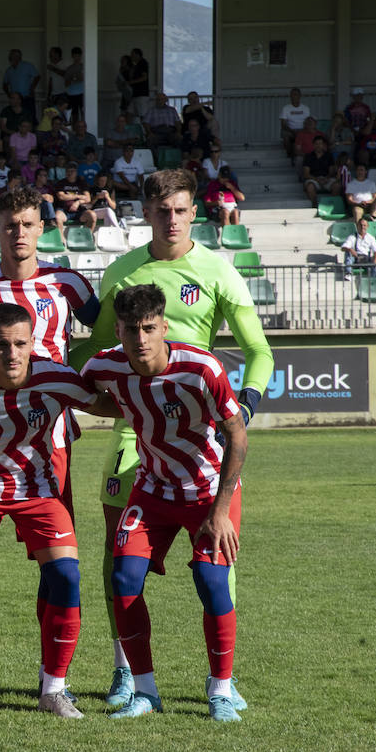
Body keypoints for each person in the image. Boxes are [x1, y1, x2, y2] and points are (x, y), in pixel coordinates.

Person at [70, 169, 272, 710]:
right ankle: (126, 673)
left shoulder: (215, 270)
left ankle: (223, 682)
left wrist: (246, 401)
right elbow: (93, 355)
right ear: (147, 213)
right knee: (122, 566)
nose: (173, 220)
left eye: (182, 210)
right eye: (163, 211)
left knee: (216, 568)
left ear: (193, 212)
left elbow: (260, 350)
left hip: (201, 436)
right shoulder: (122, 270)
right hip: (132, 434)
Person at [0, 301, 120, 717]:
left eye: (20, 343)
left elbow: (107, 405)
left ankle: (54, 689)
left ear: (33, 343)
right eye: (2, 344)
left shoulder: (57, 378)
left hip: (37, 491)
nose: (11, 353)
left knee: (67, 578)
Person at [81, 283, 249, 722]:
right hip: (152, 489)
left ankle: (221, 688)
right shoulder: (105, 365)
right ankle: (145, 690)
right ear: (118, 329)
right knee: (123, 578)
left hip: (207, 492)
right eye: (132, 329)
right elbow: (85, 395)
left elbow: (237, 433)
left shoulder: (200, 368)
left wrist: (220, 511)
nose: (140, 338)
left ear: (164, 326)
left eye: (149, 328)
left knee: (212, 584)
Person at [301, 136, 338, 206]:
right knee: (310, 187)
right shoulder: (308, 156)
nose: (318, 146)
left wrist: (326, 178)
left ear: (323, 145)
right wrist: (317, 179)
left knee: (337, 186)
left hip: (327, 178)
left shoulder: (329, 156)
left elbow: (332, 171)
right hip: (313, 179)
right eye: (316, 144)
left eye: (320, 143)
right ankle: (315, 207)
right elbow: (306, 174)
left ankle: (333, 206)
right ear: (313, 145)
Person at [340, 216, 376, 281]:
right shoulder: (352, 236)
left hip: (366, 259)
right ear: (357, 226)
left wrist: (375, 261)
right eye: (360, 225)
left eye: (364, 225)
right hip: (355, 258)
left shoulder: (371, 238)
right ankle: (348, 273)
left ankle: (373, 280)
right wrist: (350, 249)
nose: (362, 227)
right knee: (348, 253)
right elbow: (343, 248)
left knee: (375, 263)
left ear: (367, 226)